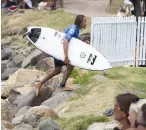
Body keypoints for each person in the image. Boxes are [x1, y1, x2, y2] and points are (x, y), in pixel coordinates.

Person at [36, 15, 88, 96]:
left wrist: (83, 44)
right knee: (70, 65)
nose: (86, 23)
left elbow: (73, 42)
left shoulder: (76, 29)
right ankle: (61, 85)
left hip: (59, 50)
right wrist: (66, 57)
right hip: (60, 51)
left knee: (57, 70)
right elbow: (65, 41)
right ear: (80, 22)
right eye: (85, 21)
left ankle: (40, 84)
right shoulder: (73, 29)